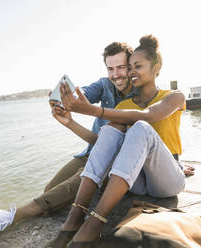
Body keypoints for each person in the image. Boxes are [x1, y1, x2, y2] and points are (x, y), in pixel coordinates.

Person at [0, 42, 138, 246]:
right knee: (50, 190)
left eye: (121, 67)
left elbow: (117, 143)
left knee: (76, 182)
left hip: (114, 161)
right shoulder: (104, 84)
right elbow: (83, 95)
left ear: (131, 66)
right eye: (110, 68)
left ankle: (7, 217)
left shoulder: (138, 98)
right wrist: (64, 100)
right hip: (91, 151)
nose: (115, 74)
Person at [51, 34, 187, 247]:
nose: (131, 71)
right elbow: (104, 142)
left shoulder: (175, 96)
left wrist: (93, 110)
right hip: (137, 181)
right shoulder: (123, 107)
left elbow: (151, 115)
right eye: (130, 66)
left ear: (157, 68)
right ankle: (76, 215)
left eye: (138, 66)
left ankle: (95, 222)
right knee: (111, 129)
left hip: (167, 181)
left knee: (141, 126)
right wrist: (70, 120)